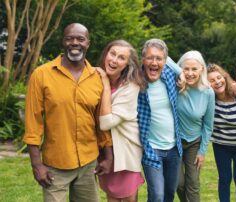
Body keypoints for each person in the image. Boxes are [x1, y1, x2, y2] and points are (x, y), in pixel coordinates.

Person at [23, 23, 113, 202]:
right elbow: (33, 122)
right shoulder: (41, 75)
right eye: (69, 38)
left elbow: (99, 121)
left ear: (88, 43)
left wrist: (108, 156)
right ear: (62, 42)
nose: (74, 43)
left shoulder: (96, 78)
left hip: (88, 164)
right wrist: (36, 164)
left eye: (80, 39)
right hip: (55, 166)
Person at [96, 40, 145, 202]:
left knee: (129, 197)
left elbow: (106, 123)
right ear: (106, 54)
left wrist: (104, 82)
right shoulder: (94, 79)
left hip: (126, 149)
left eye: (121, 57)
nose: (114, 60)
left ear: (127, 64)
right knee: (111, 195)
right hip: (105, 149)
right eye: (112, 54)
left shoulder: (131, 86)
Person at [137, 38, 183, 202]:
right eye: (150, 58)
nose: (154, 62)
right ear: (143, 59)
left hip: (174, 148)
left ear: (165, 61)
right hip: (151, 148)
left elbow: (198, 74)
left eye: (159, 58)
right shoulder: (135, 79)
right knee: (157, 195)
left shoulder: (170, 75)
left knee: (169, 193)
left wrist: (182, 73)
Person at [172, 51, 215, 202]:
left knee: (193, 184)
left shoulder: (208, 92)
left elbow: (208, 126)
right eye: (186, 69)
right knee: (178, 184)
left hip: (194, 143)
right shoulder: (175, 86)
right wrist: (179, 73)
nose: (190, 73)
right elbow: (165, 58)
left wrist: (202, 151)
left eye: (194, 69)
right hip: (173, 142)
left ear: (202, 69)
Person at [207, 64, 236, 202]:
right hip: (221, 145)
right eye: (212, 80)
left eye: (219, 77)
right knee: (224, 179)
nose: (217, 82)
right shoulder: (208, 100)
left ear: (224, 77)